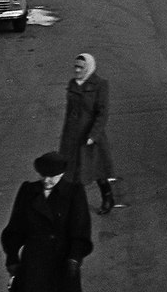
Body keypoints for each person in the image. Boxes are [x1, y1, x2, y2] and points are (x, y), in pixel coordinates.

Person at [0, 152, 93, 291]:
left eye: (52, 176)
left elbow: (80, 228)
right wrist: (12, 256)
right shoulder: (28, 191)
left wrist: (74, 257)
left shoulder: (74, 192)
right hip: (33, 263)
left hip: (62, 263)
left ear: (61, 174)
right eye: (43, 175)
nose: (47, 180)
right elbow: (16, 227)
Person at [59, 53, 116, 215]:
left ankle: (107, 198)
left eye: (81, 67)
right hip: (71, 136)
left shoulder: (100, 85)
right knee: (73, 171)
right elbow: (70, 112)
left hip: (89, 136)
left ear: (89, 67)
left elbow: (102, 113)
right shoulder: (72, 84)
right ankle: (74, 205)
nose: (77, 70)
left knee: (97, 170)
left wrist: (93, 135)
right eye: (75, 66)